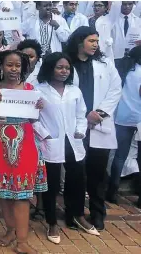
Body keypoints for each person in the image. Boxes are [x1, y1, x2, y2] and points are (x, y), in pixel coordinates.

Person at [0, 50, 47, 254]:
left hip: (25, 143)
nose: (14, 69)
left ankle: (22, 241)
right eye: (9, 65)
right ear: (1, 66)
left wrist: (38, 107)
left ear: (23, 68)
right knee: (4, 193)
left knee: (22, 194)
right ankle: (10, 230)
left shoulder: (29, 90)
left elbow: (33, 120)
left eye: (17, 65)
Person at [34, 52, 99, 244]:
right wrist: (45, 134)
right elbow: (33, 118)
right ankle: (52, 221)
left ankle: (77, 215)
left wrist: (80, 130)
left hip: (73, 141)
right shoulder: (39, 90)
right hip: (51, 142)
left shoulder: (74, 91)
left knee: (77, 181)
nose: (64, 71)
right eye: (59, 67)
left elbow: (81, 114)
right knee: (51, 184)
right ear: (50, 68)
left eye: (67, 68)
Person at [66, 26, 122, 231]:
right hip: (74, 124)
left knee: (97, 174)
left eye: (97, 41)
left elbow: (116, 89)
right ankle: (74, 213)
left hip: (99, 123)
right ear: (80, 41)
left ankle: (98, 214)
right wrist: (82, 116)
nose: (95, 45)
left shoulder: (105, 63)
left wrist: (99, 113)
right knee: (75, 173)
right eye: (91, 41)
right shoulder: (67, 62)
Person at [108, 46, 141, 205]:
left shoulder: (128, 69)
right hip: (140, 118)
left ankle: (112, 191)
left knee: (119, 156)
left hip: (124, 116)